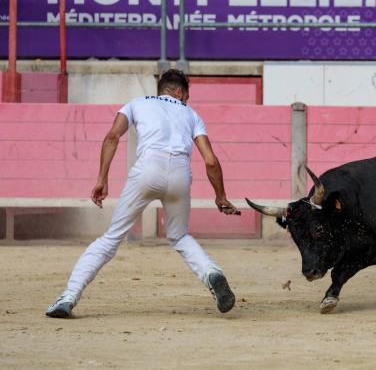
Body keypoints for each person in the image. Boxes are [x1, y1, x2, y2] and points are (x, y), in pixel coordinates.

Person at [46, 69, 238, 318]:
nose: (187, 101)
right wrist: (220, 196)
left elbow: (112, 136)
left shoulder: (136, 103)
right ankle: (212, 273)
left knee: (111, 239)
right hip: (180, 172)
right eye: (186, 96)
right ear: (179, 92)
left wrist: (102, 179)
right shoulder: (191, 114)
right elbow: (211, 161)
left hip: (148, 168)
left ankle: (69, 297)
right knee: (179, 237)